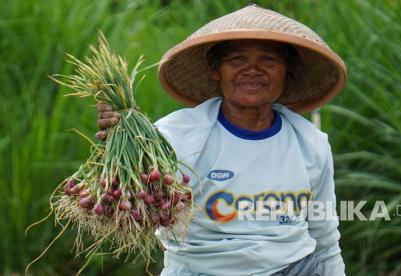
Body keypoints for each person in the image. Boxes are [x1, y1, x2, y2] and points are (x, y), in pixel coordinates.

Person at [97, 5, 347, 276]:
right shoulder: (174, 137)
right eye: (237, 60)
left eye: (269, 60)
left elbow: (324, 234)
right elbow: (134, 201)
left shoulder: (311, 144)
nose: (253, 70)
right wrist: (119, 142)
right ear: (217, 71)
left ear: (287, 72)